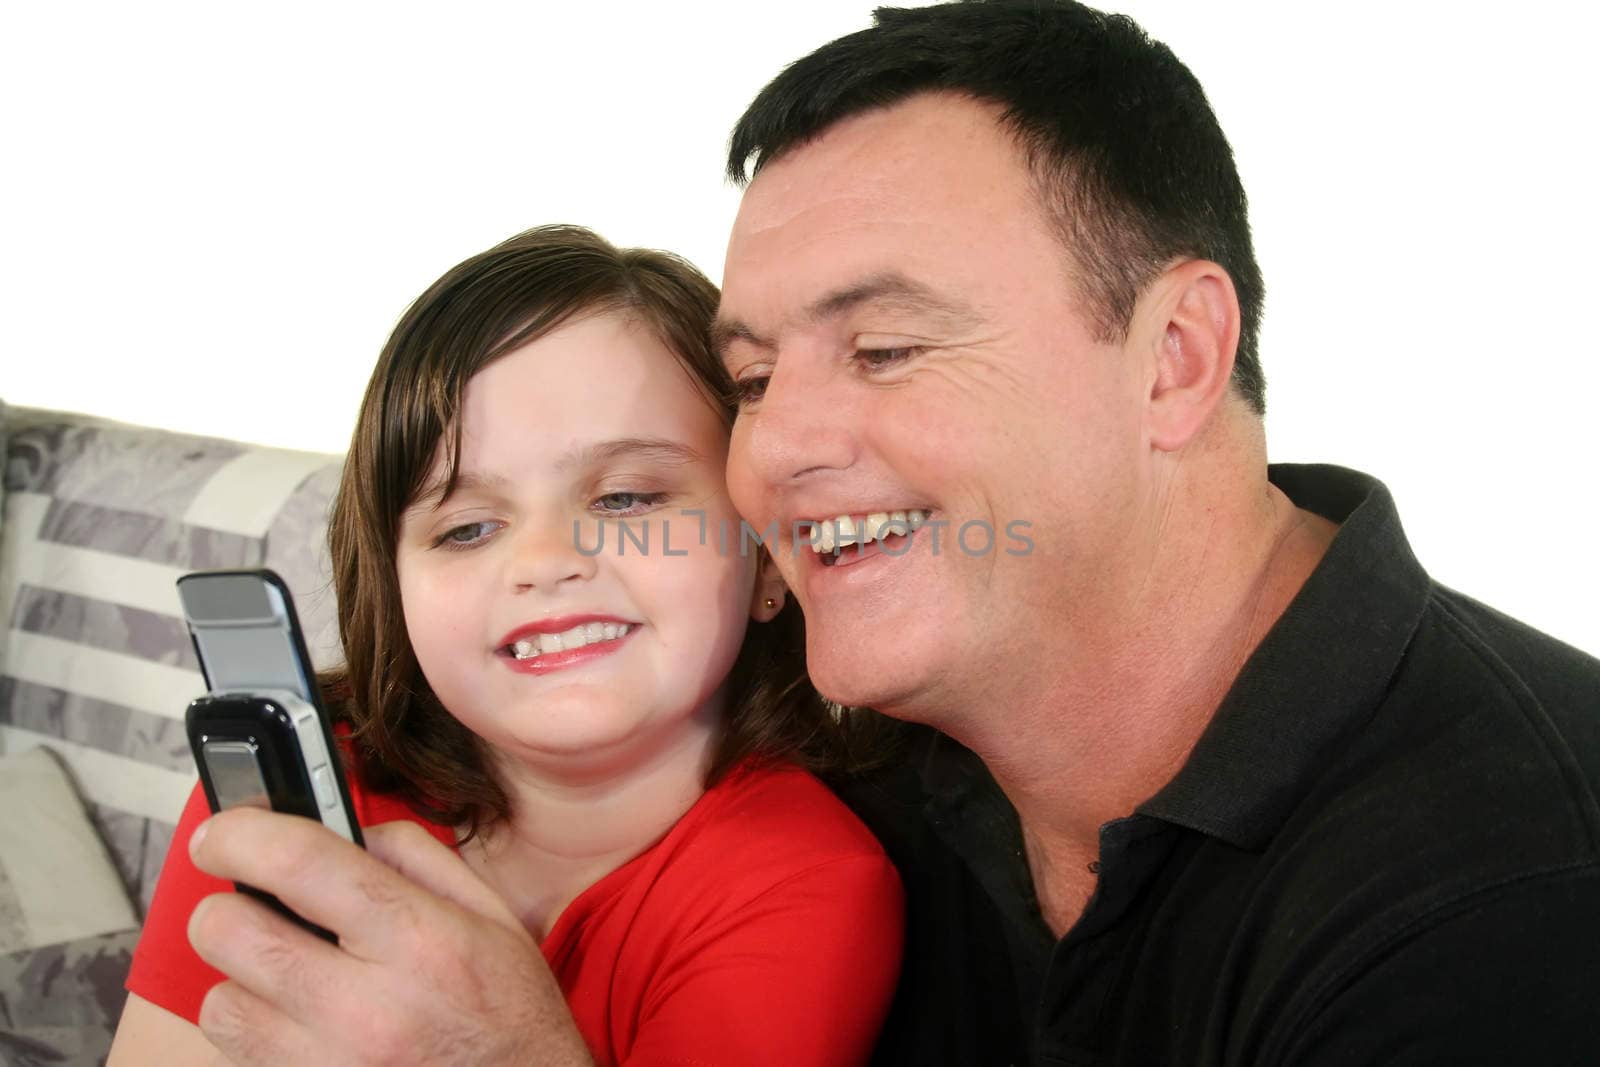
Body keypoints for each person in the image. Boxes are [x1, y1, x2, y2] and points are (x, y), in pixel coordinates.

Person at [123, 3, 1600, 1065]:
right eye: (755, 378)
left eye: (885, 348)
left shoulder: (1509, 906)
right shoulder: (880, 733)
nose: (779, 452)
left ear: (1173, 357)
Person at [107, 225, 902, 1065]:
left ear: (767, 553)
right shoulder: (296, 798)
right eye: (468, 527)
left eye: (627, 498)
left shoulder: (808, 885)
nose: (545, 563)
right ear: (394, 590)